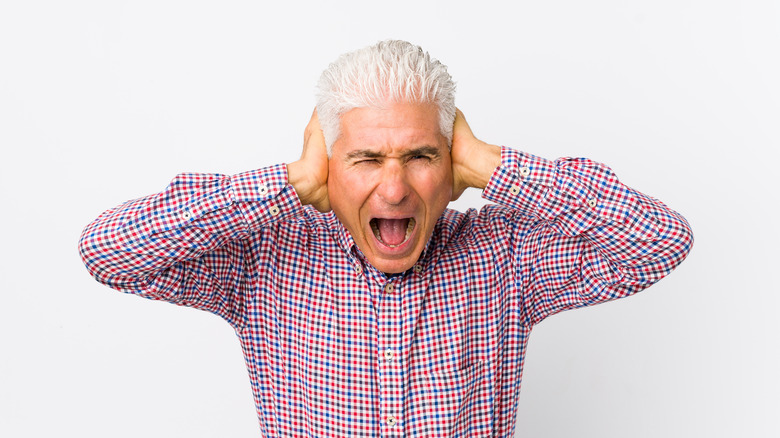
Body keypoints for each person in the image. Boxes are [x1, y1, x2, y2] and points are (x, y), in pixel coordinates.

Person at [79, 40, 693, 437]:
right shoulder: (263, 256)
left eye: (421, 156)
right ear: (330, 169)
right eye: (366, 159)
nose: (395, 190)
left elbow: (661, 239)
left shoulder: (507, 258)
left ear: (451, 168)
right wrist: (289, 183)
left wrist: (490, 165)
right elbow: (108, 251)